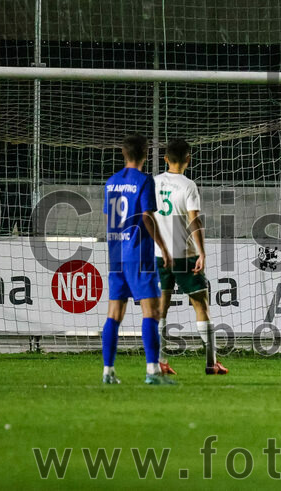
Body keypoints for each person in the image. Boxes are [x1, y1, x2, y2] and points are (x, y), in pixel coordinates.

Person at [101, 134, 175, 385]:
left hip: (116, 255)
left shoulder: (111, 183)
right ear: (145, 154)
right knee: (151, 311)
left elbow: (110, 218)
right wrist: (163, 248)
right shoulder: (144, 181)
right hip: (138, 255)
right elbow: (146, 217)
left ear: (123, 154)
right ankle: (153, 371)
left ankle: (108, 371)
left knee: (114, 313)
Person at [153, 139, 228, 376]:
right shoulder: (188, 186)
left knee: (161, 308)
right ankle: (211, 363)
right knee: (201, 304)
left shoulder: (153, 182)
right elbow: (194, 220)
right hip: (183, 253)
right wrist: (202, 252)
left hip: (160, 252)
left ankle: (160, 362)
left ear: (165, 159)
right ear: (188, 159)